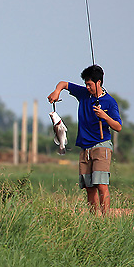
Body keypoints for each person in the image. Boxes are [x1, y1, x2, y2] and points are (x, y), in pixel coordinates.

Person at [47, 64, 122, 216]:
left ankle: (106, 219)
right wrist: (56, 91)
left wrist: (105, 116)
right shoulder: (83, 94)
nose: (87, 87)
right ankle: (95, 220)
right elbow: (64, 84)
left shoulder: (109, 102)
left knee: (101, 184)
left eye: (90, 84)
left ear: (99, 82)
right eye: (85, 84)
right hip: (84, 147)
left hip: (101, 145)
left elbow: (118, 126)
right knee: (89, 187)